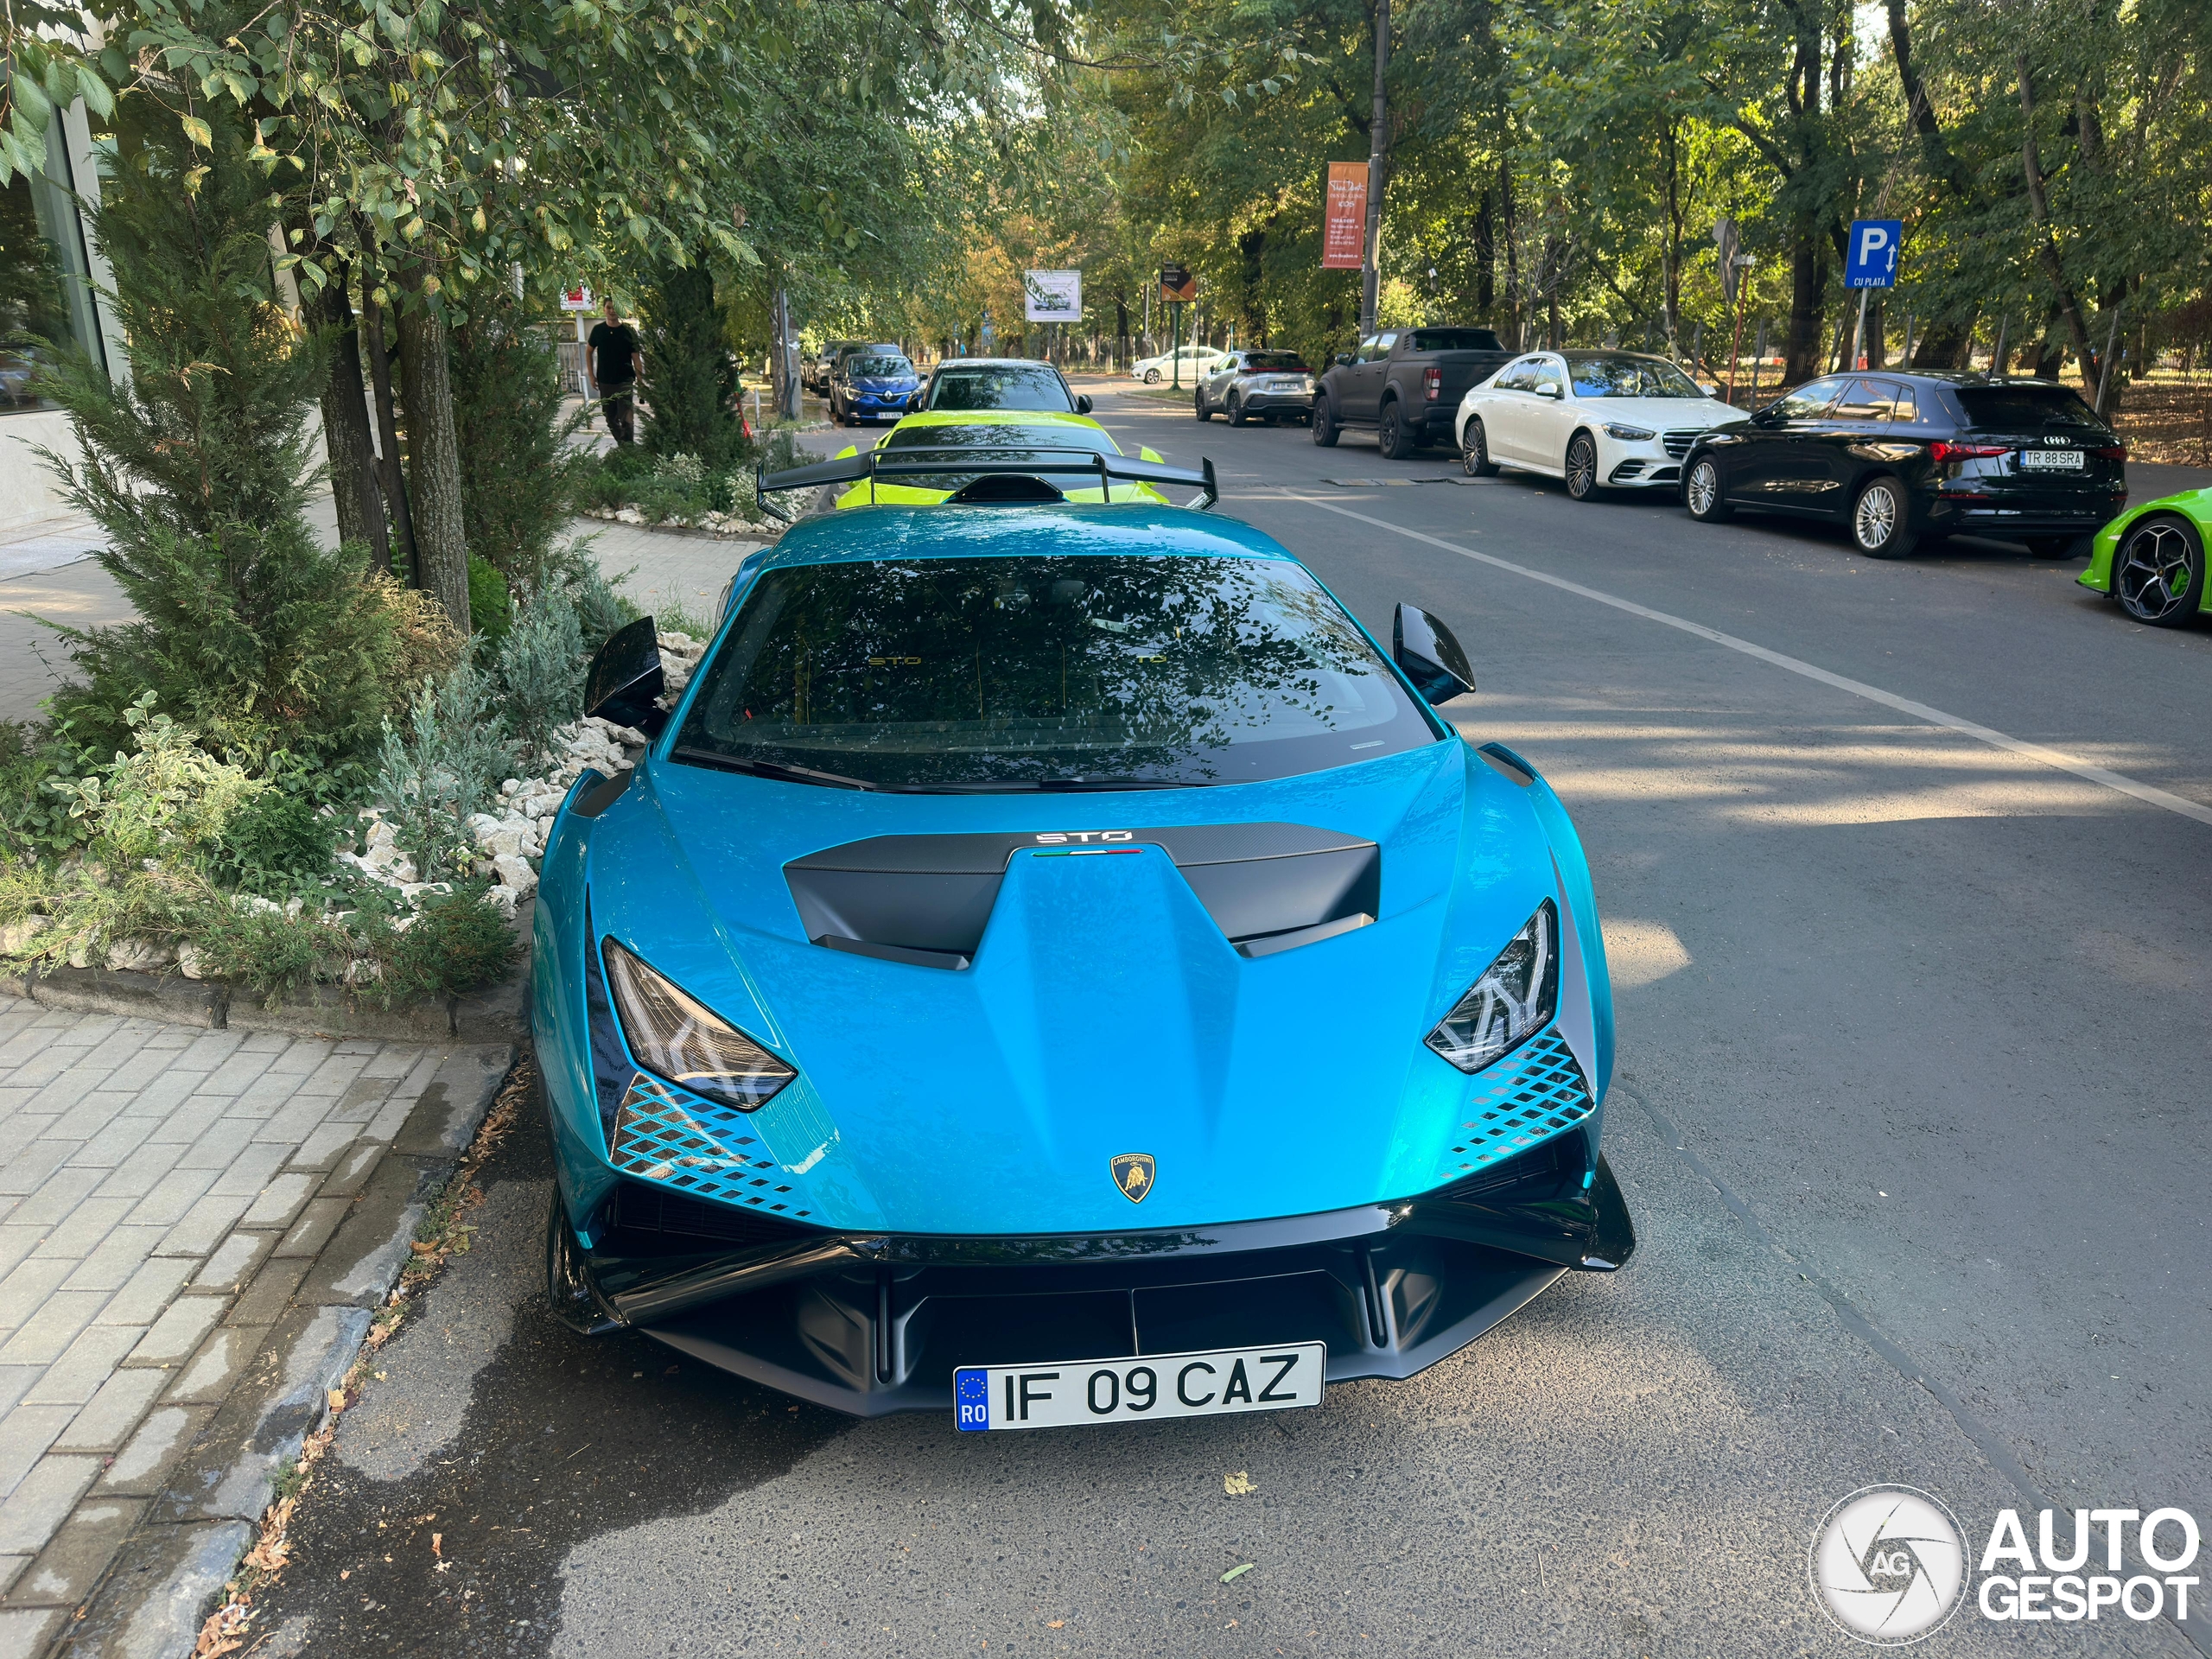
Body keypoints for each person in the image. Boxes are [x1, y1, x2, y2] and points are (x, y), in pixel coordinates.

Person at [586, 297, 645, 445]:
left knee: (626, 418)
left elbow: (636, 359)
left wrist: (641, 381)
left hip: (625, 380)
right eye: (609, 308)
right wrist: (591, 376)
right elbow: (588, 352)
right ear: (604, 309)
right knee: (610, 418)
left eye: (615, 308)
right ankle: (623, 446)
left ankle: (629, 447)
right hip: (605, 380)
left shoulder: (628, 332)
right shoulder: (598, 330)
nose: (612, 311)